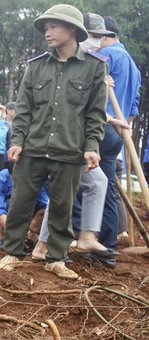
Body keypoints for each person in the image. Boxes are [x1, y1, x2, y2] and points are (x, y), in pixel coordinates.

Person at [0, 4, 107, 279]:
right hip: (32, 148)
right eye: (46, 28)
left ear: (72, 29)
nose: (48, 32)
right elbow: (24, 110)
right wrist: (18, 140)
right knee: (20, 202)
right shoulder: (35, 68)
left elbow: (95, 113)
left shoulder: (93, 67)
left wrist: (91, 147)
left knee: (62, 206)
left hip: (69, 150)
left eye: (54, 26)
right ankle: (12, 252)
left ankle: (56, 258)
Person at [88, 14, 141, 267]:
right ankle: (106, 249)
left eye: (96, 36)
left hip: (98, 127)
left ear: (106, 37)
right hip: (117, 133)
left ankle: (74, 238)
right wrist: (122, 127)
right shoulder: (134, 66)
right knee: (106, 189)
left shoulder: (105, 57)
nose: (93, 41)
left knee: (76, 184)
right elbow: (134, 107)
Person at [0, 163, 48, 251]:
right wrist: (18, 232)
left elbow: (46, 205)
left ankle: (32, 237)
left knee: (35, 201)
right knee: (15, 201)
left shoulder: (34, 179)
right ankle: (1, 237)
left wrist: (34, 228)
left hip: (22, 215)